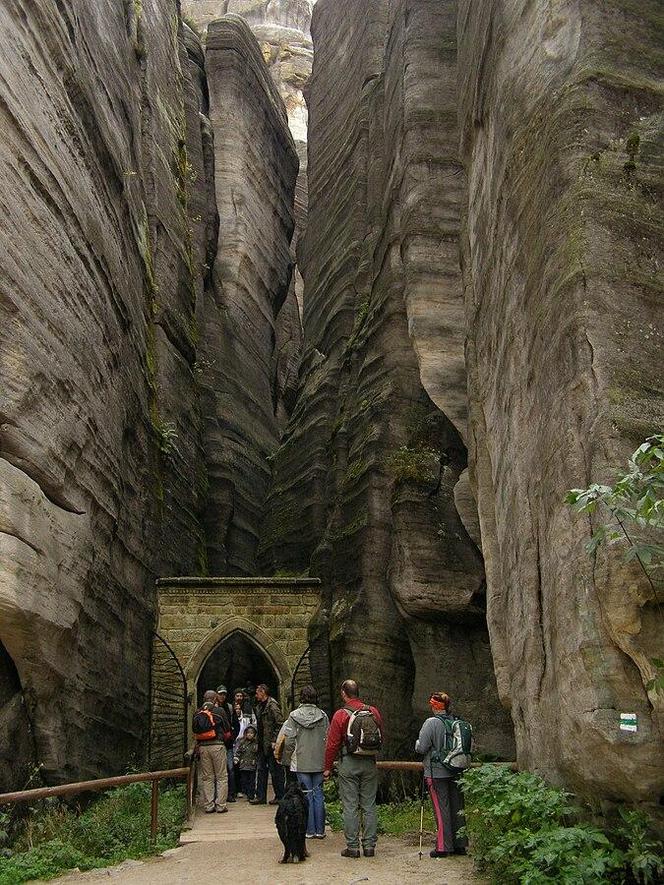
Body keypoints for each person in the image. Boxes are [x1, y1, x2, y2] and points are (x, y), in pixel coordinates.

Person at [324, 679, 383, 858]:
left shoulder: (341, 715)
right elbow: (380, 734)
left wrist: (327, 767)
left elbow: (332, 744)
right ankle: (370, 846)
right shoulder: (373, 711)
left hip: (349, 761)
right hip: (369, 761)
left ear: (344, 693)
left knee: (350, 805)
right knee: (369, 805)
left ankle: (353, 847)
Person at [415, 691, 468, 858]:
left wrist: (417, 743)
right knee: (457, 807)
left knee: (441, 808)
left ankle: (443, 847)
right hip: (456, 769)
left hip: (436, 772)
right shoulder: (456, 721)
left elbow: (422, 748)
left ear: (434, 705)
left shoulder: (431, 723)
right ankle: (460, 844)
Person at [282, 685, 329, 839]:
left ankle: (308, 830)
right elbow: (328, 739)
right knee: (319, 794)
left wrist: (287, 759)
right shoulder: (323, 716)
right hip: (319, 761)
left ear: (301, 698)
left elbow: (289, 740)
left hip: (301, 761)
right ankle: (320, 830)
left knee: (306, 796)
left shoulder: (294, 716)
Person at [192, 690, 232, 813]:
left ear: (204, 698)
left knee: (207, 777)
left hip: (203, 747)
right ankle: (220, 805)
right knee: (221, 776)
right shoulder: (219, 711)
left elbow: (195, 730)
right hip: (217, 746)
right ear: (215, 699)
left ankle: (209, 805)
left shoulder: (197, 712)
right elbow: (227, 730)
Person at [251, 683, 285, 805]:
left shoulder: (272, 706)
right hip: (261, 743)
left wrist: (274, 740)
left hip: (270, 744)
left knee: (275, 771)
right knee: (261, 770)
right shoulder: (260, 706)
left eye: (257, 692)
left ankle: (280, 796)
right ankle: (260, 796)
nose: (256, 695)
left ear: (263, 692)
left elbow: (280, 723)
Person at [216, 685, 237, 802]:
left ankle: (231, 794)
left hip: (228, 743)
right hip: (217, 742)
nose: (222, 696)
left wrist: (232, 736)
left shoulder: (229, 707)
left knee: (230, 769)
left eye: (224, 694)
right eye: (220, 694)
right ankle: (219, 796)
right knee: (219, 771)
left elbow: (235, 724)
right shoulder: (212, 707)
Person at [233, 724, 259, 801]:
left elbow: (257, 754)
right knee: (244, 780)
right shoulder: (242, 743)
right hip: (243, 765)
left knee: (252, 781)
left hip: (252, 765)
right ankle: (246, 792)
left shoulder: (256, 744)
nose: (249, 735)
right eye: (248, 733)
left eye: (251, 733)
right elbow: (238, 751)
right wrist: (236, 758)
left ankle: (251, 794)